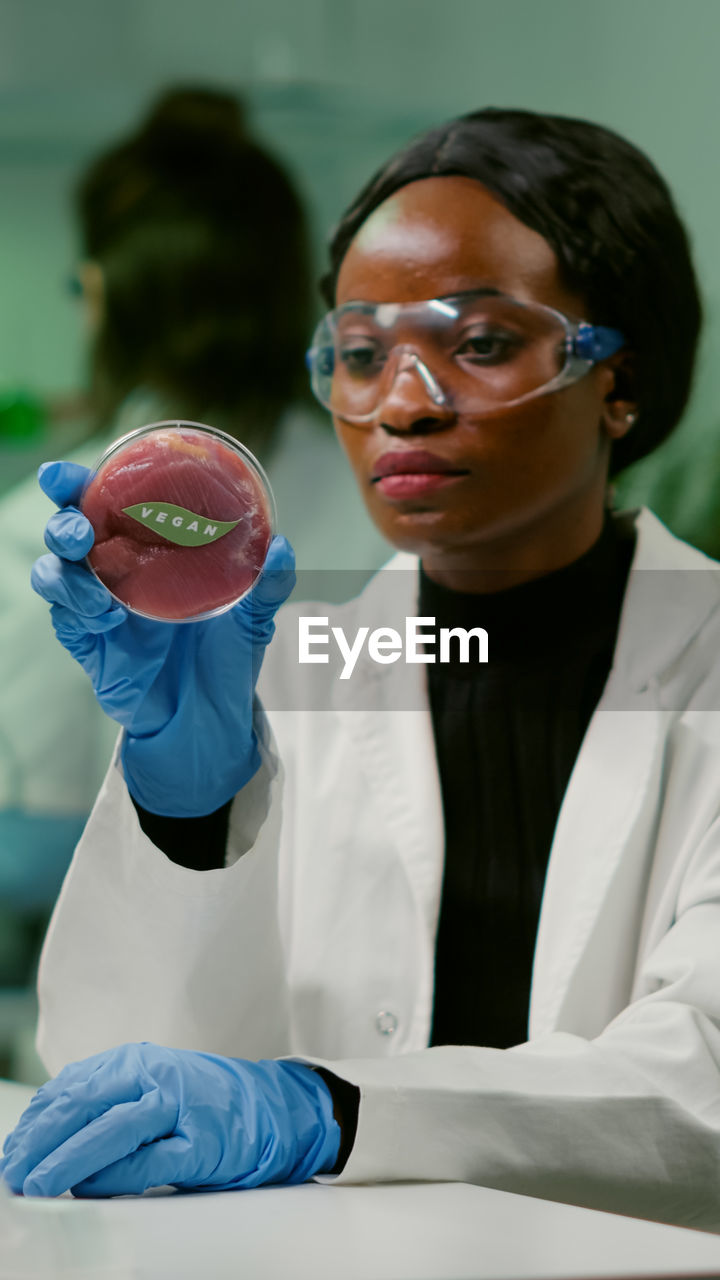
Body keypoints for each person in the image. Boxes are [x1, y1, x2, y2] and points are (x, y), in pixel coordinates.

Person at [3, 107, 719, 1228]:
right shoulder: (305, 664)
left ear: (619, 378)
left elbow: (702, 1078)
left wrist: (334, 1109)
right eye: (360, 351)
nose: (403, 403)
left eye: (478, 344)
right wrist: (183, 810)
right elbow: (115, 1096)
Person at [0, 87, 389, 969]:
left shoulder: (43, 531)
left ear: (101, 292)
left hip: (128, 976)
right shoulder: (388, 497)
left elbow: (25, 850)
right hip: (354, 978)